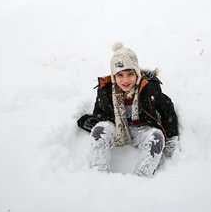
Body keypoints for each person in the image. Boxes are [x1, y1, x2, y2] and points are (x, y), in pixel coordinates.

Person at [77, 43, 179, 177]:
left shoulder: (149, 88)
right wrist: (96, 123)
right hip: (117, 128)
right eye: (120, 75)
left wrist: (171, 137)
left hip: (142, 129)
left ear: (137, 73)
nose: (125, 80)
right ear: (114, 76)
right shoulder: (106, 90)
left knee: (157, 137)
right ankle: (99, 175)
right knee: (99, 130)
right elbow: (100, 113)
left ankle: (142, 176)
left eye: (130, 74)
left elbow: (167, 109)